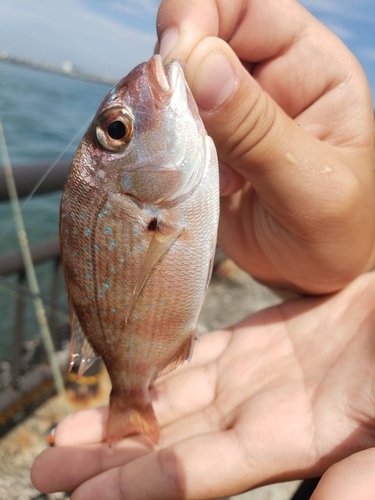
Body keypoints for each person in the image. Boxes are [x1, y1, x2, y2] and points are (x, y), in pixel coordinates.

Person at [31, 0, 375, 498]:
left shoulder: (164, 198)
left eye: (117, 129)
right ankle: (131, 399)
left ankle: (130, 396)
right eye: (121, 129)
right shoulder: (160, 202)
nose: (127, 117)